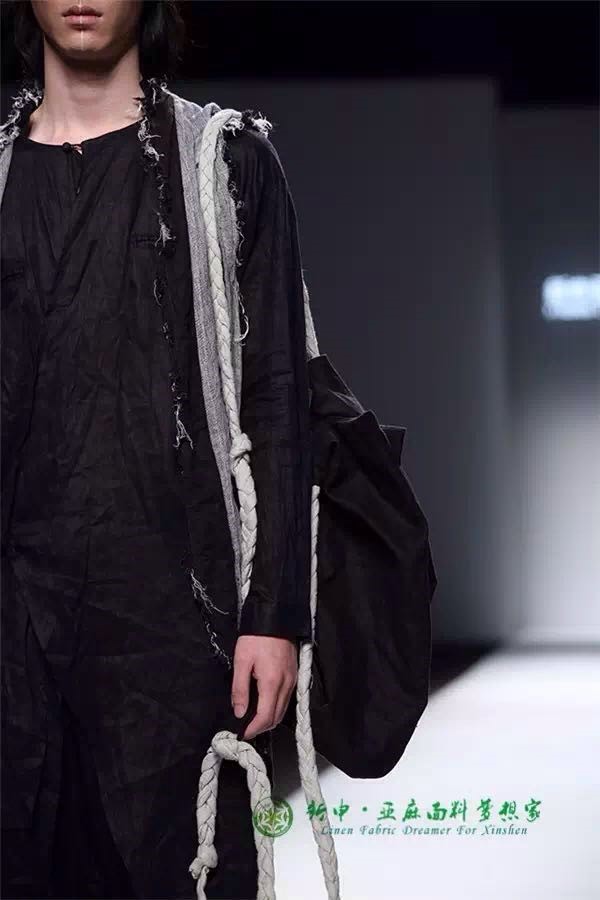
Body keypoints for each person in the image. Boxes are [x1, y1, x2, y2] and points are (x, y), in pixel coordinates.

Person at [0, 1, 313, 898]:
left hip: (176, 620)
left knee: (190, 870)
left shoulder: (227, 164)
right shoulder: (3, 172)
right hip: (15, 620)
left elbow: (278, 394)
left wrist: (275, 614)